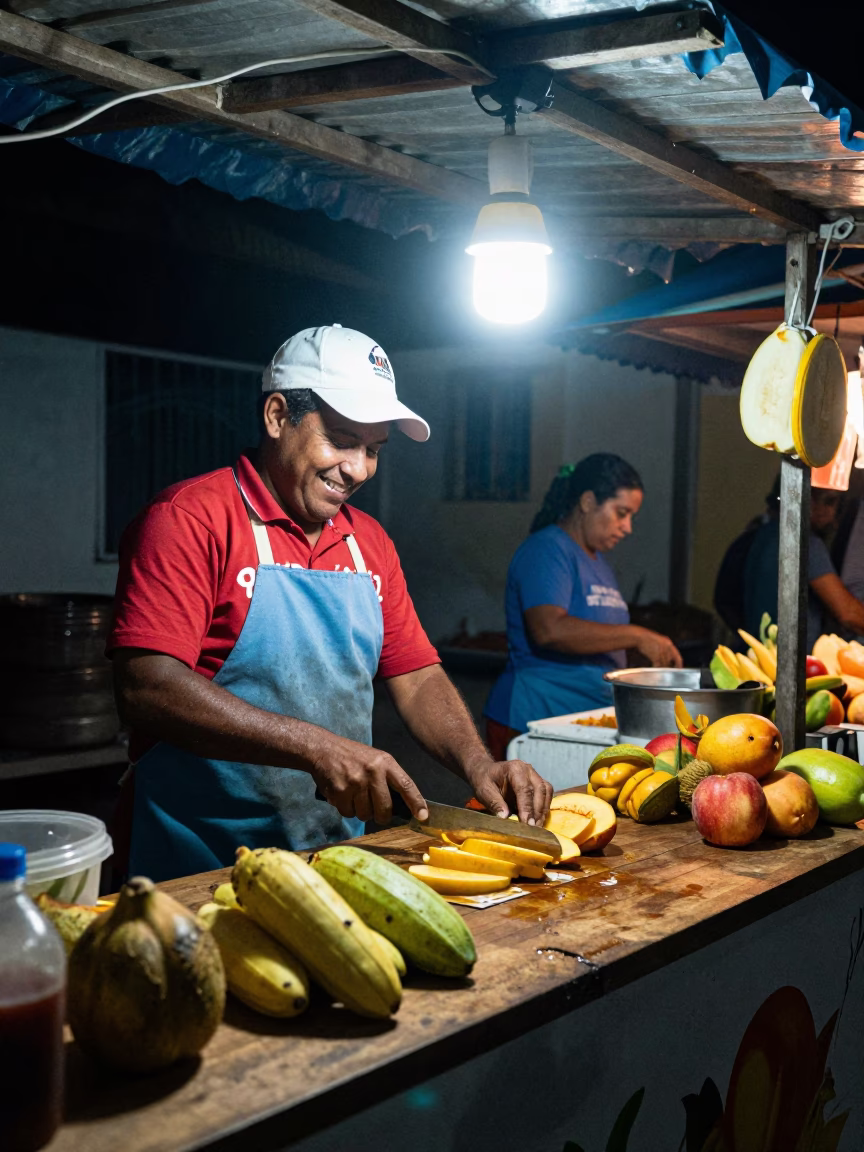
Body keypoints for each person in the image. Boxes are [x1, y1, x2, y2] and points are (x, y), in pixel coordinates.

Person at [109, 324, 552, 882]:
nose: (359, 469)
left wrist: (478, 763)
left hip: (337, 859)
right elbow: (147, 687)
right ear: (276, 416)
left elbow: (416, 676)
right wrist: (314, 747)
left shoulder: (369, 543)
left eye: (373, 450)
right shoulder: (188, 520)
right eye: (342, 440)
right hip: (199, 864)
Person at [484, 454, 683, 759]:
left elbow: (602, 641)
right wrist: (639, 636)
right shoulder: (547, 549)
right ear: (588, 501)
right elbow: (549, 629)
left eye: (631, 517)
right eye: (621, 513)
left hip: (583, 721)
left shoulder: (598, 563)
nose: (627, 527)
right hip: (536, 718)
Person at [742, 484, 864, 651]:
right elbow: (848, 614)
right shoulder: (806, 542)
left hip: (759, 652)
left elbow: (723, 599)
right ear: (809, 501)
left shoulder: (761, 535)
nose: (832, 513)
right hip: (791, 660)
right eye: (829, 501)